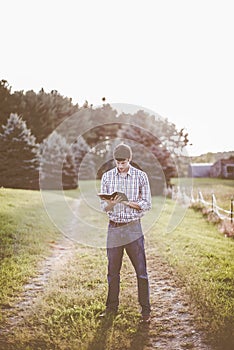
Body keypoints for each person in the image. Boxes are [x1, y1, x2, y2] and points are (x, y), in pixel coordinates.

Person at [100, 143, 152, 323]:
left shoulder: (141, 177)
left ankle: (146, 311)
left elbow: (146, 203)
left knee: (141, 271)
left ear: (129, 160)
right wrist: (111, 203)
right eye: (117, 162)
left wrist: (127, 202)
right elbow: (104, 206)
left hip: (133, 228)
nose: (120, 166)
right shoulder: (107, 177)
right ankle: (111, 308)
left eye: (123, 162)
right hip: (114, 228)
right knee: (113, 271)